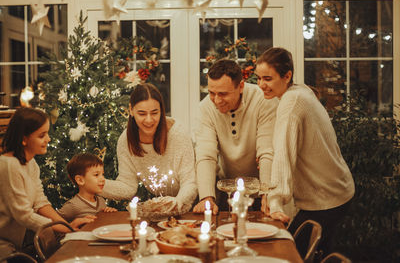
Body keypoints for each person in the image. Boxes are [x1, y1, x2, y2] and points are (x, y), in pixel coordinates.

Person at [255, 47, 355, 259]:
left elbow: (284, 153)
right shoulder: (299, 92)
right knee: (315, 254)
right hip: (337, 191)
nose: (261, 84)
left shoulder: (291, 103)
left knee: (290, 255)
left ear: (287, 76)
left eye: (267, 78)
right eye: (258, 78)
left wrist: (275, 200)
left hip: (327, 197)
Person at [0, 108, 94, 259]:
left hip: (16, 246)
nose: (48, 139)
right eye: (42, 135)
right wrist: (63, 229)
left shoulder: (31, 164)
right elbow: (23, 215)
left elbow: (40, 203)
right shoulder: (8, 165)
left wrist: (68, 227)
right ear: (24, 139)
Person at [193, 59, 278, 214]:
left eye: (223, 94)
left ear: (240, 87)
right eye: (212, 93)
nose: (217, 100)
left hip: (261, 189)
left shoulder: (263, 100)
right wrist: (206, 197)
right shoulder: (205, 108)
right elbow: (206, 155)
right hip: (227, 191)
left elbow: (267, 151)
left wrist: (267, 194)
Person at [102, 83, 197, 212]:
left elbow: (190, 181)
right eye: (142, 113)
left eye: (154, 113)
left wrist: (177, 203)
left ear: (161, 111)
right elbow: (128, 186)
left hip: (194, 205)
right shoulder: (126, 141)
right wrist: (97, 185)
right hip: (162, 209)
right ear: (131, 110)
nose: (149, 120)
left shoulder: (178, 135)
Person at [58, 153, 117, 222]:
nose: (103, 179)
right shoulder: (73, 206)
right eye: (96, 175)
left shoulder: (101, 201)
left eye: (102, 174)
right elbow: (53, 223)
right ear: (80, 180)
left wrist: (109, 213)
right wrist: (72, 226)